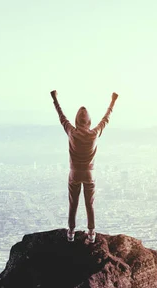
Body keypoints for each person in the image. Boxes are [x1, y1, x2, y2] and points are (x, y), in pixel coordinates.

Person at [51, 90, 118, 243]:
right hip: (90, 173)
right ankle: (91, 232)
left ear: (76, 120)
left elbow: (61, 116)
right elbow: (106, 118)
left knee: (73, 202)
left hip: (74, 173)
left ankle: (71, 232)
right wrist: (113, 101)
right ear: (89, 122)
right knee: (90, 203)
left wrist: (54, 98)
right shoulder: (95, 133)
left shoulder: (71, 132)